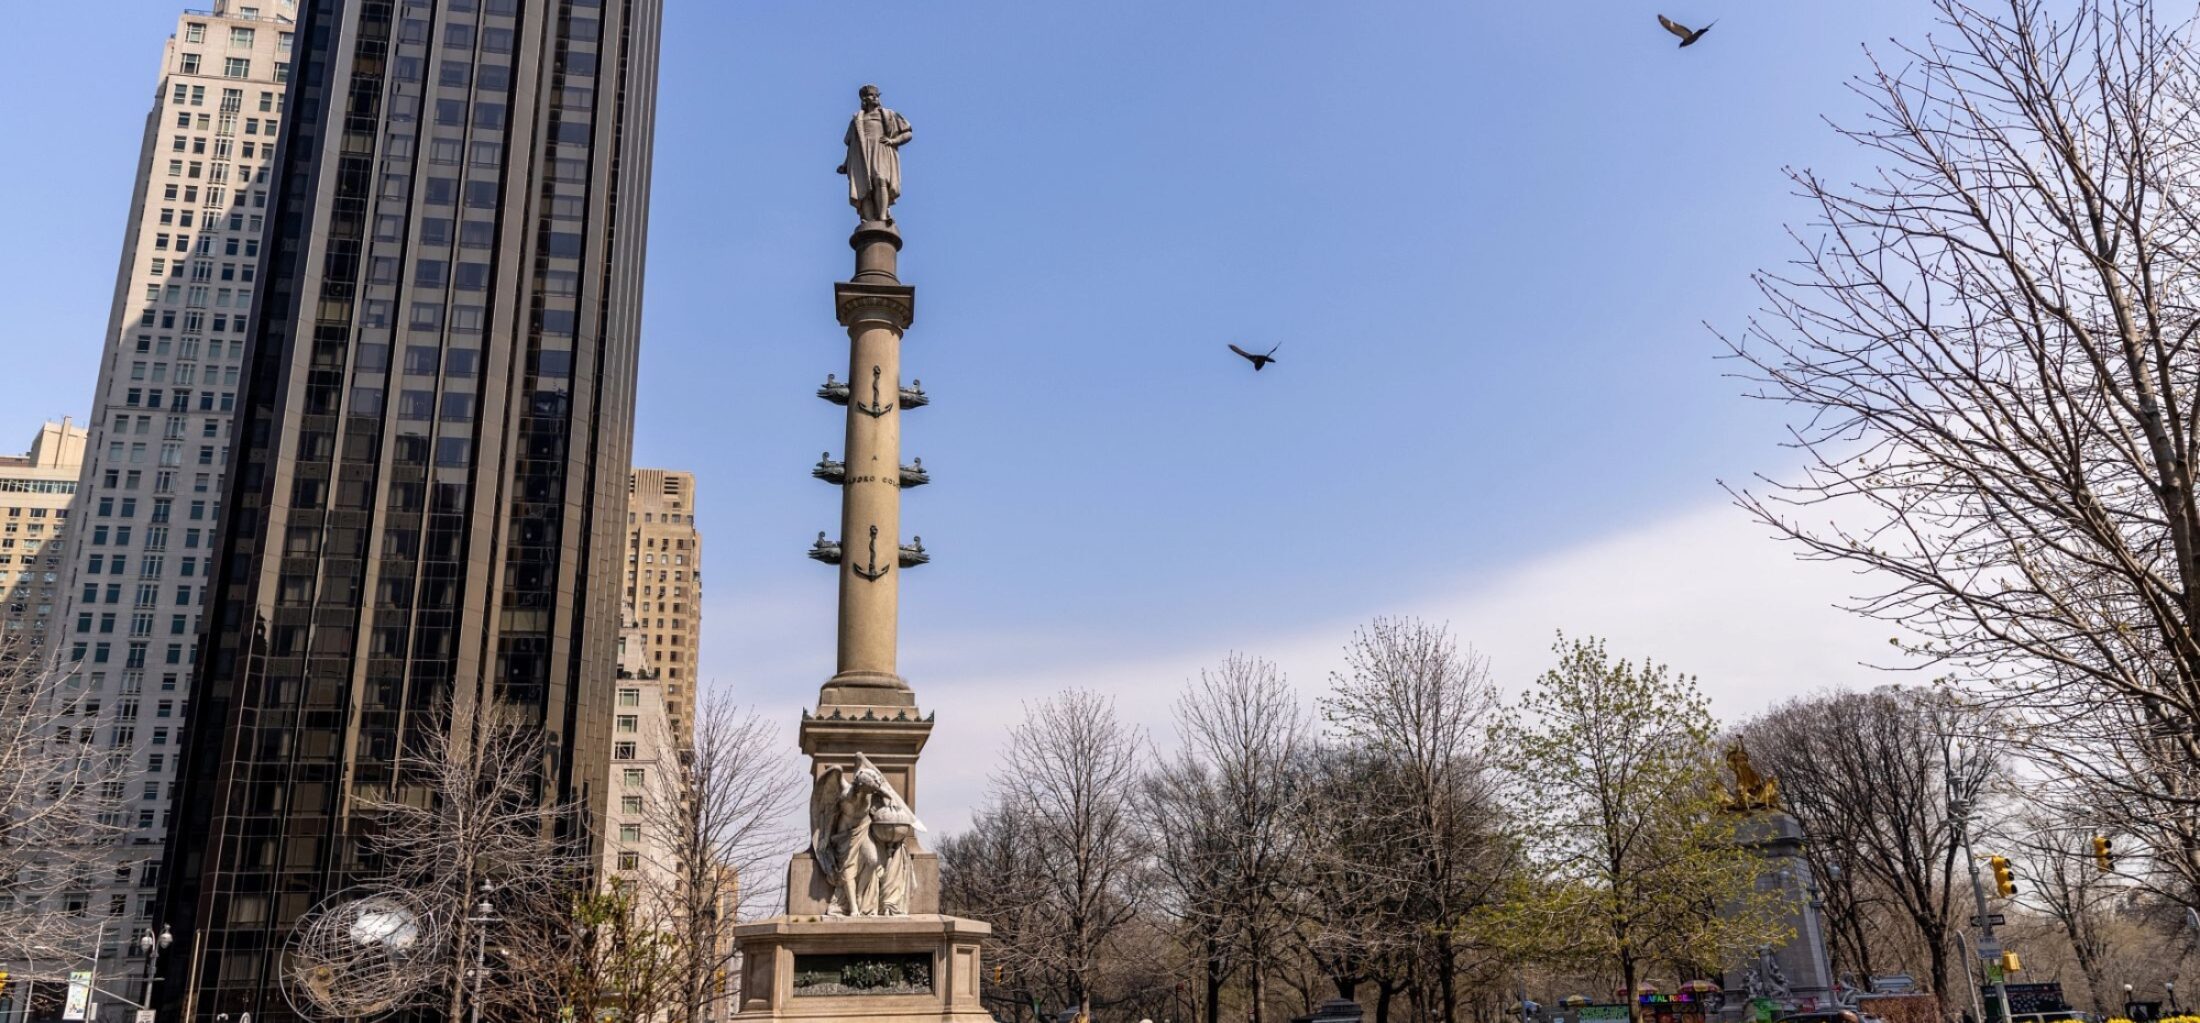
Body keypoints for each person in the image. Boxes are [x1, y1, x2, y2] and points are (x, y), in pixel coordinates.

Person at [837, 84, 914, 223]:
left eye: (877, 95)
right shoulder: (857, 119)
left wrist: (893, 140)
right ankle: (868, 218)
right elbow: (851, 144)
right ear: (865, 99)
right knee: (864, 186)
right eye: (872, 95)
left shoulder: (888, 114)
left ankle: (883, 216)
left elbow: (908, 133)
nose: (876, 97)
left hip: (881, 149)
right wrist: (846, 163)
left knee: (880, 179)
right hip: (861, 154)